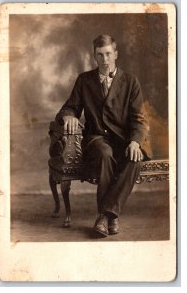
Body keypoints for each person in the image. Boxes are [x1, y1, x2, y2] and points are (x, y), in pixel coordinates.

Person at [55, 34, 152, 237]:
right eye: (100, 55)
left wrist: (135, 142)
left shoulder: (130, 81)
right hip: (96, 140)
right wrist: (69, 116)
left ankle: (106, 216)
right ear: (94, 57)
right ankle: (111, 216)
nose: (105, 60)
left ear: (116, 54)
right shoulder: (84, 80)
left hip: (124, 140)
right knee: (105, 153)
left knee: (135, 159)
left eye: (108, 54)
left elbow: (139, 120)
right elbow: (68, 108)